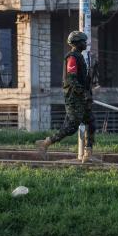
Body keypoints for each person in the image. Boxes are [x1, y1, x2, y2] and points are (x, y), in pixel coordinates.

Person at [36, 31, 99, 163]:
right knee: (71, 127)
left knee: (91, 123)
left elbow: (83, 79)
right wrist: (83, 93)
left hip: (82, 98)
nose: (85, 43)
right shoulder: (72, 58)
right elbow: (71, 80)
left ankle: (88, 154)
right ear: (76, 43)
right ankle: (46, 142)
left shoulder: (80, 57)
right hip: (74, 98)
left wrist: (91, 83)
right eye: (83, 41)